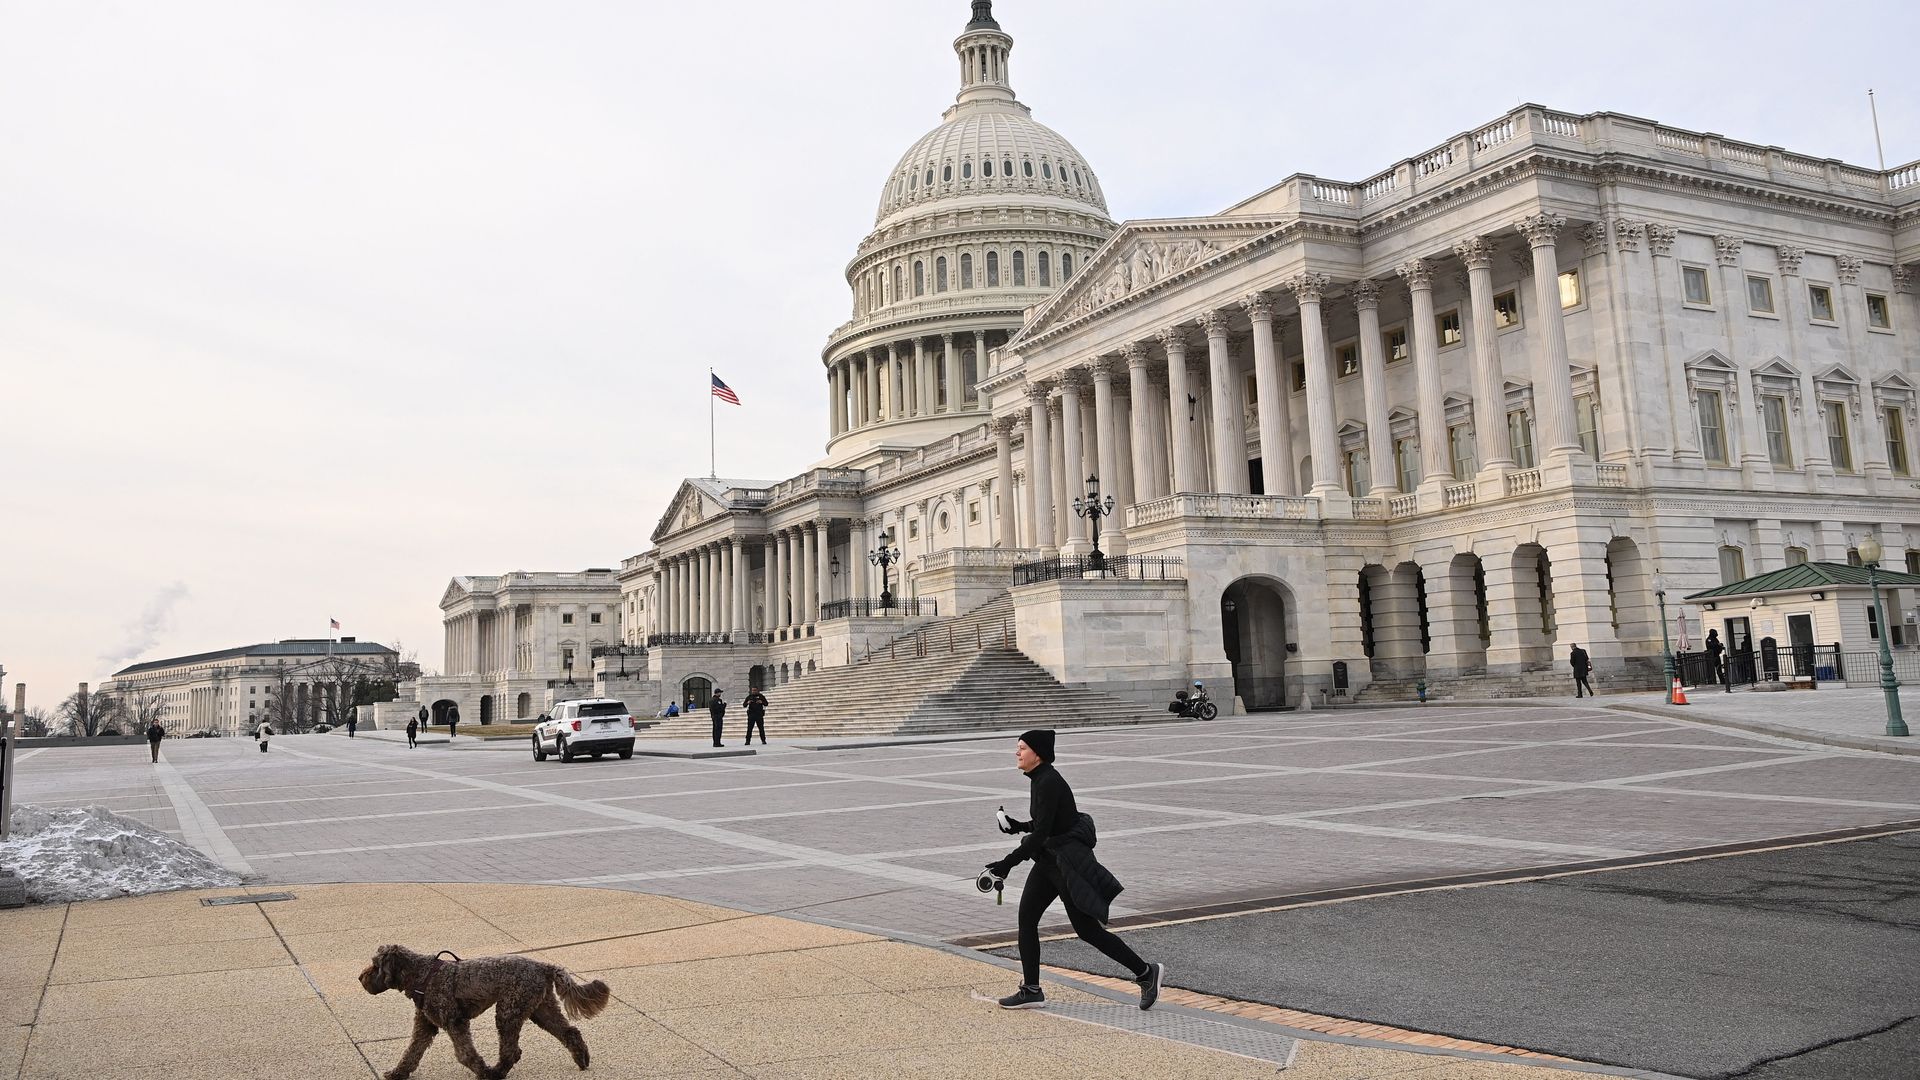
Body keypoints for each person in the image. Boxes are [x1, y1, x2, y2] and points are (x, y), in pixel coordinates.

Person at [984, 728, 1163, 1012]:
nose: (1017, 752)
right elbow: (1048, 822)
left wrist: (1007, 863)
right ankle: (1031, 989)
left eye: (1022, 748)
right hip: (1049, 863)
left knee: (1088, 931)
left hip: (1066, 865)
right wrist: (1018, 825)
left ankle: (1146, 973)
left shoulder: (1049, 781)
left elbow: (1042, 833)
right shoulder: (1039, 779)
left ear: (1037, 754)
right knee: (1027, 920)